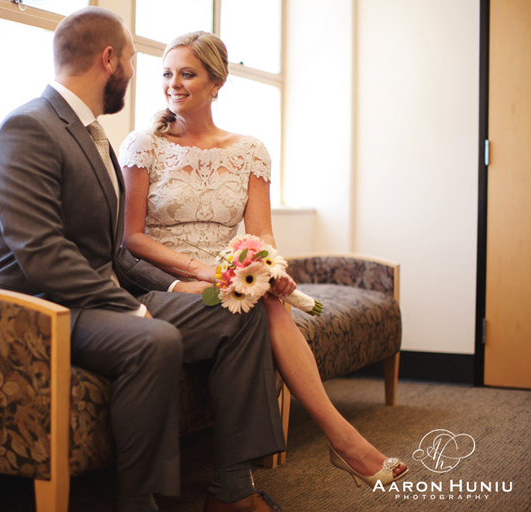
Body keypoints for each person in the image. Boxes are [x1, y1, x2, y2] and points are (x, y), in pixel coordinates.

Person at [0, 8, 285, 512]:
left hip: (95, 300)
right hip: (40, 306)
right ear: (109, 60)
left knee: (238, 312)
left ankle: (232, 489)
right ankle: (137, 503)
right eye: (134, 60)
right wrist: (133, 307)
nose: (143, 75)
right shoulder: (28, 127)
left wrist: (171, 288)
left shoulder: (92, 134)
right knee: (153, 338)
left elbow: (113, 248)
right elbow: (41, 253)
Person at [119, 31, 409, 490]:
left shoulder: (249, 150)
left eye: (187, 74)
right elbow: (130, 238)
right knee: (260, 308)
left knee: (267, 300)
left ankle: (305, 454)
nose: (173, 83)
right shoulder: (144, 145)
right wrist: (199, 272)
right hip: (165, 283)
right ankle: (341, 440)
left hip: (230, 279)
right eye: (167, 73)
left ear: (217, 83)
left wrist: (272, 269)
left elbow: (260, 234)